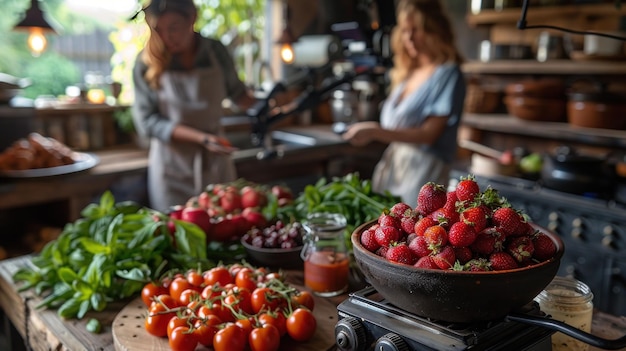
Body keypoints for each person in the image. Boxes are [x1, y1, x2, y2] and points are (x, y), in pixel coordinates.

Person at [132, 0, 256, 212]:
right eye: (158, 30)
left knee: (224, 225)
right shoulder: (146, 62)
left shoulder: (215, 51)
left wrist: (270, 105)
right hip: (172, 167)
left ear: (193, 18)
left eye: (174, 28)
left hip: (216, 161)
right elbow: (148, 122)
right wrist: (203, 138)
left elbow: (238, 95)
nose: (166, 37)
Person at [342, 0, 466, 206]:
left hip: (425, 172)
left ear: (435, 30)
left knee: (414, 232)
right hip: (395, 164)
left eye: (416, 30)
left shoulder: (448, 74)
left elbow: (429, 135)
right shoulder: (407, 73)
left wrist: (375, 131)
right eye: (405, 30)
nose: (409, 37)